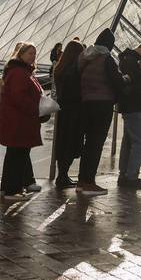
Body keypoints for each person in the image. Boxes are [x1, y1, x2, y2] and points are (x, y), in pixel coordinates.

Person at [76, 28, 124, 196]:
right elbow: (117, 82)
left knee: (88, 143)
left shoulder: (85, 58)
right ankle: (89, 182)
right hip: (102, 104)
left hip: (86, 103)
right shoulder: (106, 59)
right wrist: (126, 80)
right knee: (96, 143)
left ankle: (82, 181)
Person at [0, 42, 44, 199]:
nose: (33, 56)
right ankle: (13, 190)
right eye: (30, 53)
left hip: (19, 121)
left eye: (34, 53)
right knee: (18, 156)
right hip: (19, 121)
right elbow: (19, 98)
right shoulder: (19, 72)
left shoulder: (21, 71)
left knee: (14, 155)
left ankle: (8, 188)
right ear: (21, 54)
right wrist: (37, 107)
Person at [117, 38, 141, 189]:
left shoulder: (128, 59)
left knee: (128, 142)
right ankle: (131, 176)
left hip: (130, 107)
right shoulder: (132, 61)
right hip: (134, 106)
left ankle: (124, 175)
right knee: (140, 142)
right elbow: (129, 84)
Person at [52, 40, 85, 188]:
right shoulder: (74, 70)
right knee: (71, 144)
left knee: (64, 143)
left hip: (64, 110)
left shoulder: (60, 68)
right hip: (74, 111)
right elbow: (76, 91)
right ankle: (62, 176)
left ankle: (62, 175)